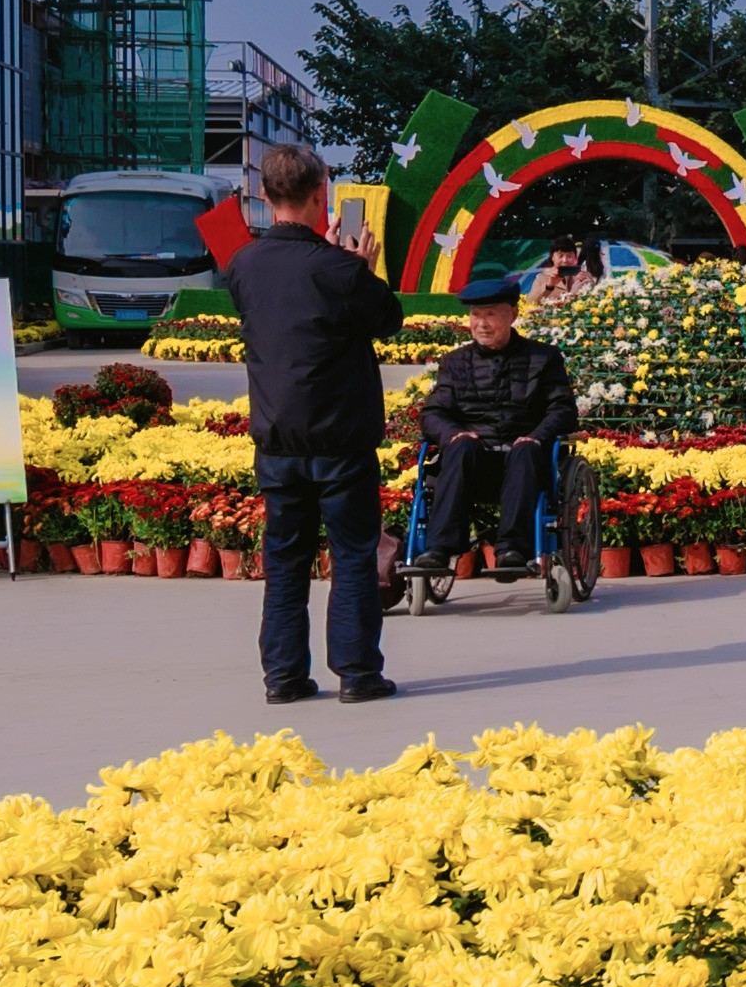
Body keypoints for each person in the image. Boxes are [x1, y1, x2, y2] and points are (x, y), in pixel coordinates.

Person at [224, 140, 404, 704]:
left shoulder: (243, 266)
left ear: (263, 194)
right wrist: (359, 268)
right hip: (340, 439)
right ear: (321, 191)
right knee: (351, 554)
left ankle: (283, 677)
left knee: (285, 560)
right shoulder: (340, 270)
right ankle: (356, 673)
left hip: (276, 438)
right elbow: (389, 320)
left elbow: (284, 302)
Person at [412, 276, 581, 581]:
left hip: (524, 463)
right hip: (474, 462)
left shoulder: (543, 358)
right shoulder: (455, 362)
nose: (482, 324)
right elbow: (433, 412)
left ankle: (512, 550)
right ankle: (438, 550)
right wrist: (453, 433)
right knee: (460, 445)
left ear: (513, 314)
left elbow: (563, 409)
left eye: (491, 314)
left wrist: (536, 436)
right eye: (476, 315)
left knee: (526, 449)